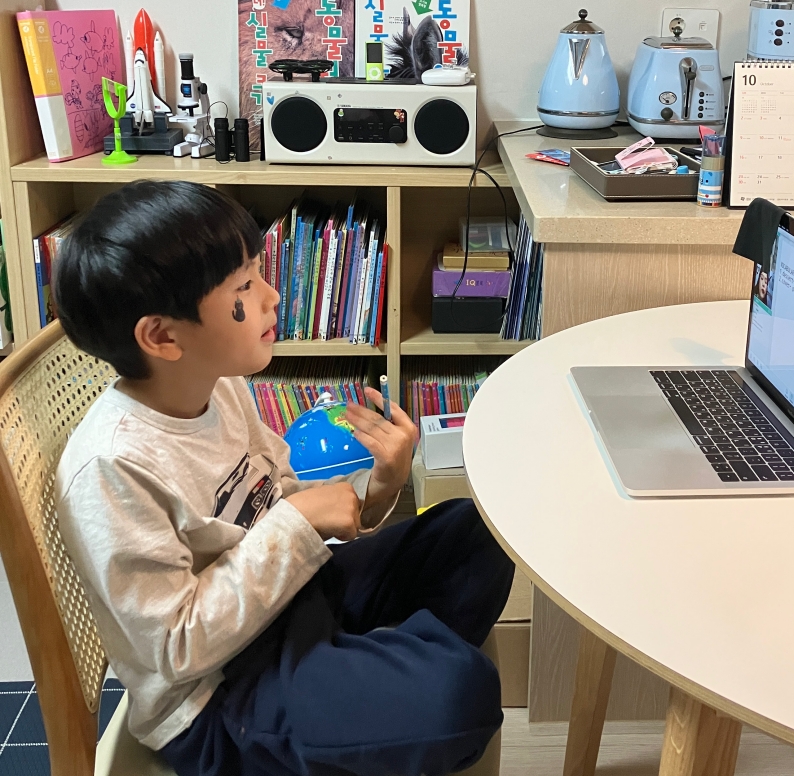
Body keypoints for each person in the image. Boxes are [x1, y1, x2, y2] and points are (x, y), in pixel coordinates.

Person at [52, 180, 515, 776]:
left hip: (293, 601)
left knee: (481, 532)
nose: (272, 297)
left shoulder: (220, 385)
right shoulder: (112, 466)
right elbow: (173, 648)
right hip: (219, 696)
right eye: (244, 288)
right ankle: (372, 696)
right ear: (163, 336)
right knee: (462, 695)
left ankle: (365, 689)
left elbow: (281, 500)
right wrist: (296, 523)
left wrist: (378, 487)